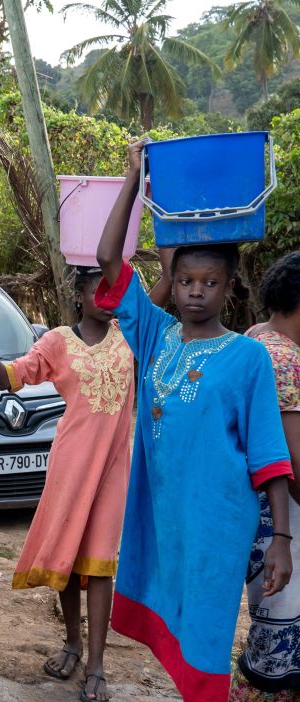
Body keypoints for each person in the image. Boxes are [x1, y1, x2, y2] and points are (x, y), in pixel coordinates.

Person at [94, 141, 293, 701]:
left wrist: (280, 538)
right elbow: (110, 260)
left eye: (209, 282)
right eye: (186, 282)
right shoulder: (155, 337)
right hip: (162, 517)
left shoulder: (247, 356)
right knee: (174, 635)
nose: (196, 292)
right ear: (172, 285)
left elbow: (269, 454)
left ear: (229, 287)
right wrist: (132, 176)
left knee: (204, 642)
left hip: (215, 522)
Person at [0, 260, 169, 701]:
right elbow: (7, 379)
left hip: (112, 470)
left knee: (100, 563)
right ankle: (73, 643)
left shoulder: (132, 335)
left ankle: (97, 664)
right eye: (96, 290)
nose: (106, 299)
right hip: (70, 465)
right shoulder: (57, 343)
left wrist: (167, 241)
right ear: (78, 296)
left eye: (113, 291)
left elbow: (159, 287)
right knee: (68, 558)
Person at [232, 251, 300, 699]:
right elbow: (297, 470)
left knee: (268, 636)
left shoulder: (255, 339)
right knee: (277, 655)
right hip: (283, 526)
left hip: (252, 523)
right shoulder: (287, 361)